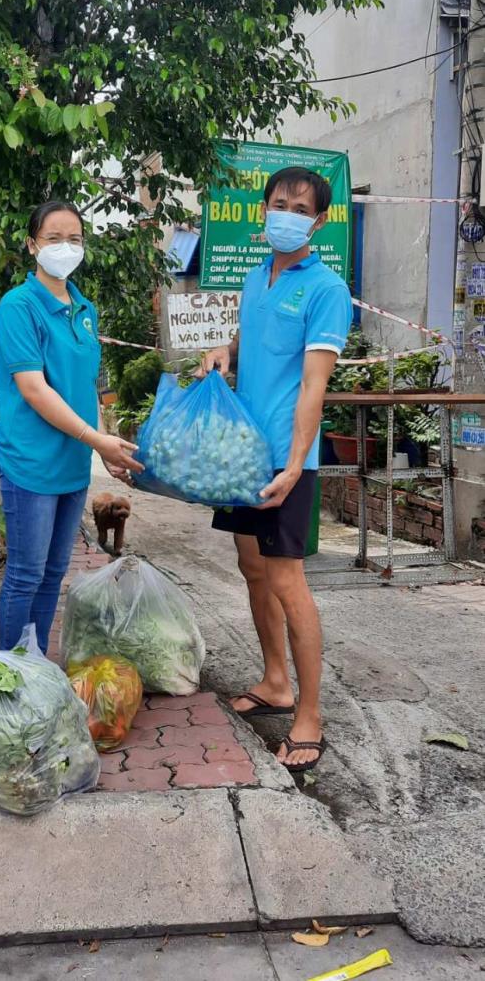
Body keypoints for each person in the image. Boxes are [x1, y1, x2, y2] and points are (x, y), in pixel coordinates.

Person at [202, 166, 352, 774]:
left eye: (299, 206)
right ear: (264, 208)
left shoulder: (325, 289)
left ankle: (309, 715)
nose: (285, 212)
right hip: (243, 451)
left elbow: (314, 388)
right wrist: (223, 351)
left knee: (288, 581)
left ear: (318, 221)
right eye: (278, 202)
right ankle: (274, 681)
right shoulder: (254, 276)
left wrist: (294, 467)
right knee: (250, 566)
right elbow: (253, 343)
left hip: (288, 461)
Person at [0, 201, 142, 654]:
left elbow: (82, 389)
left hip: (72, 462)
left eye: (74, 239)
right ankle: (12, 671)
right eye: (53, 238)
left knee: (54, 572)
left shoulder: (83, 308)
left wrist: (102, 447)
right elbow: (35, 391)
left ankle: (35, 661)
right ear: (32, 244)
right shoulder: (17, 307)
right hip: (31, 461)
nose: (65, 247)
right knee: (25, 574)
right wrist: (97, 440)